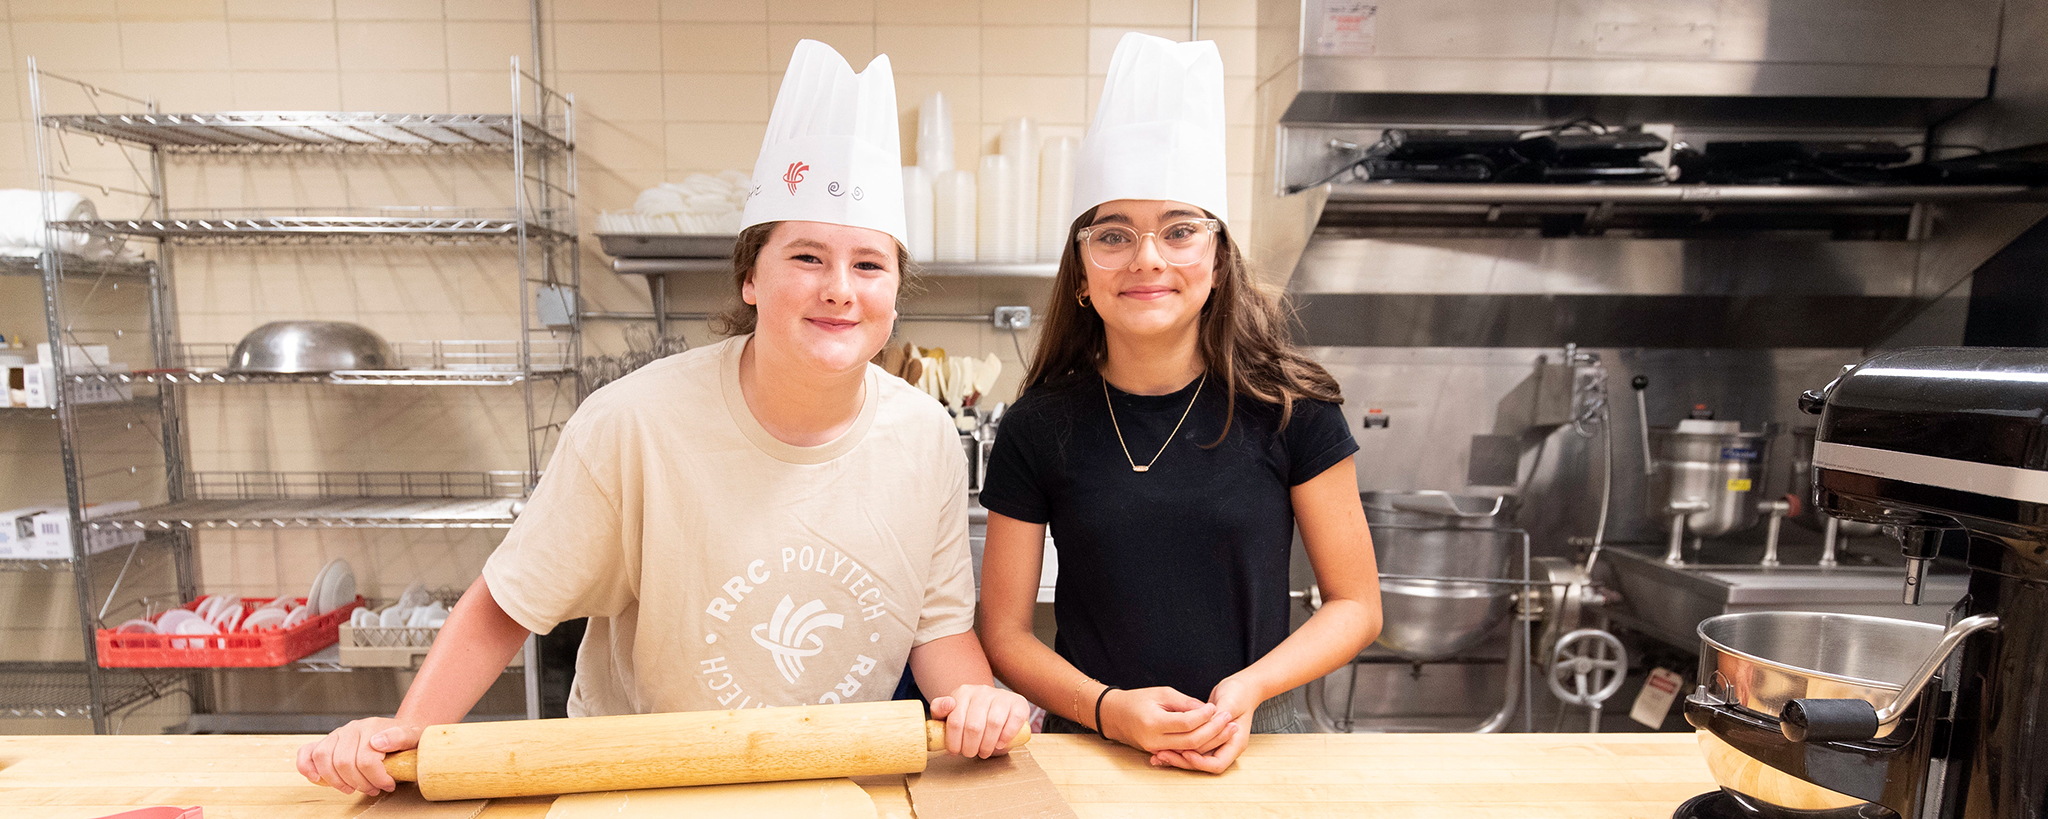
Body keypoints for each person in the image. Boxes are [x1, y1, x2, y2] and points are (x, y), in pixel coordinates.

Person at [297, 40, 1030, 796]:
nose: (840, 289)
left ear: (896, 291)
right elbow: (506, 603)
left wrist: (975, 704)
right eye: (807, 257)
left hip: (829, 785)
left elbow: (938, 629)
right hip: (638, 784)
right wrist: (409, 731)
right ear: (751, 276)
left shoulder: (924, 436)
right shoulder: (633, 423)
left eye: (869, 264)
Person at [974, 32, 1383, 775]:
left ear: (1219, 260)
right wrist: (1106, 707)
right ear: (1080, 274)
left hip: (1260, 733)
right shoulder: (1039, 426)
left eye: (1180, 230)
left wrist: (1249, 688)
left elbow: (1356, 603)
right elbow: (1004, 632)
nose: (1148, 258)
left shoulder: (1292, 408)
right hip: (1090, 739)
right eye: (1114, 235)